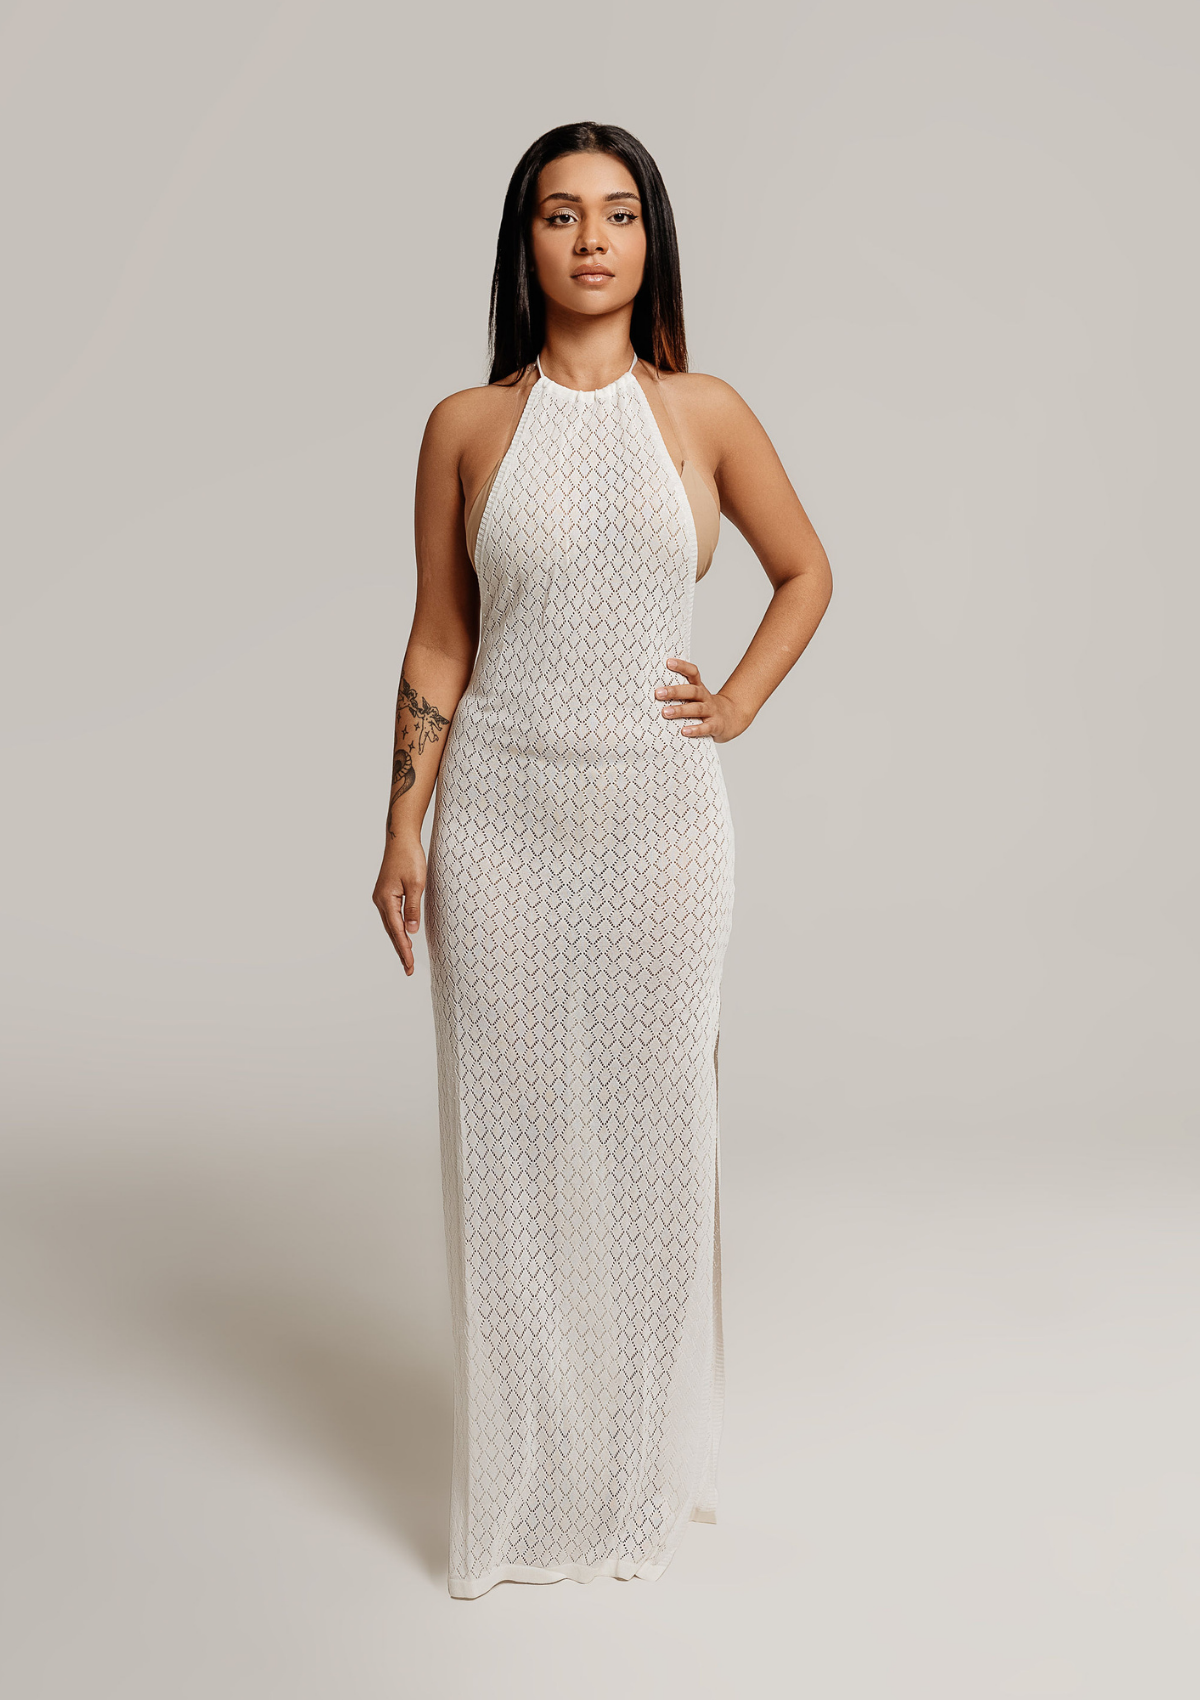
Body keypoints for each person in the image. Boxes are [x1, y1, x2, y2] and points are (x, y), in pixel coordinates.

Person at [372, 121, 832, 1599]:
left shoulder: (702, 411)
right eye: (561, 214)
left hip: (660, 823)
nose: (590, 239)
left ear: (651, 242)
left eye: (619, 214)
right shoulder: (465, 426)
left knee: (655, 1145)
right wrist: (402, 822)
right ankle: (525, 1483)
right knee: (506, 1147)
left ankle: (638, 1471)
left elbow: (804, 569)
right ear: (524, 243)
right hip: (498, 820)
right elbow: (441, 637)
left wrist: (736, 701)